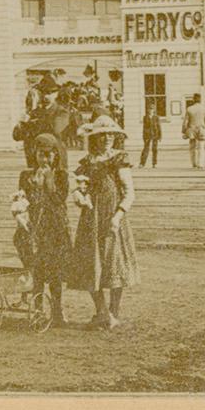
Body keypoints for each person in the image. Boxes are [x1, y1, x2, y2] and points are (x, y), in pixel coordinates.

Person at [68, 117, 137, 329]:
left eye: (111, 134)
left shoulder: (118, 160)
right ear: (95, 137)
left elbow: (129, 193)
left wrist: (118, 216)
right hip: (91, 219)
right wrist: (80, 197)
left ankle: (113, 312)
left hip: (112, 217)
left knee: (113, 263)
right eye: (103, 134)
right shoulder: (87, 162)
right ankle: (101, 311)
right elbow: (79, 187)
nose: (107, 138)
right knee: (90, 263)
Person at [17, 132, 73, 326]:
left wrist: (49, 181)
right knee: (37, 271)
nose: (45, 159)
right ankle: (38, 310)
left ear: (56, 155)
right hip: (35, 229)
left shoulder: (62, 175)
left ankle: (57, 311)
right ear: (35, 154)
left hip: (55, 230)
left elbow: (59, 200)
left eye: (49, 154)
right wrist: (19, 214)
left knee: (55, 272)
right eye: (41, 154)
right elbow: (22, 201)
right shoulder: (26, 175)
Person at [183, 94, 205, 169]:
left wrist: (184, 131)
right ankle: (200, 164)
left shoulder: (189, 109)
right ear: (200, 100)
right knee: (201, 147)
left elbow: (185, 122)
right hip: (201, 129)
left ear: (193, 100)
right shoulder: (204, 109)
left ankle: (193, 163)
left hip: (192, 130)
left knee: (192, 147)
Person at [139, 100, 163, 168]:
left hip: (155, 135)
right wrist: (144, 136)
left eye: (152, 108)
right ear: (147, 110)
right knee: (146, 149)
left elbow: (159, 127)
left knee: (154, 149)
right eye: (149, 108)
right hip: (147, 135)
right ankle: (142, 163)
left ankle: (154, 163)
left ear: (154, 110)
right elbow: (144, 127)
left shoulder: (156, 117)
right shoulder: (145, 117)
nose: (150, 110)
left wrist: (160, 136)